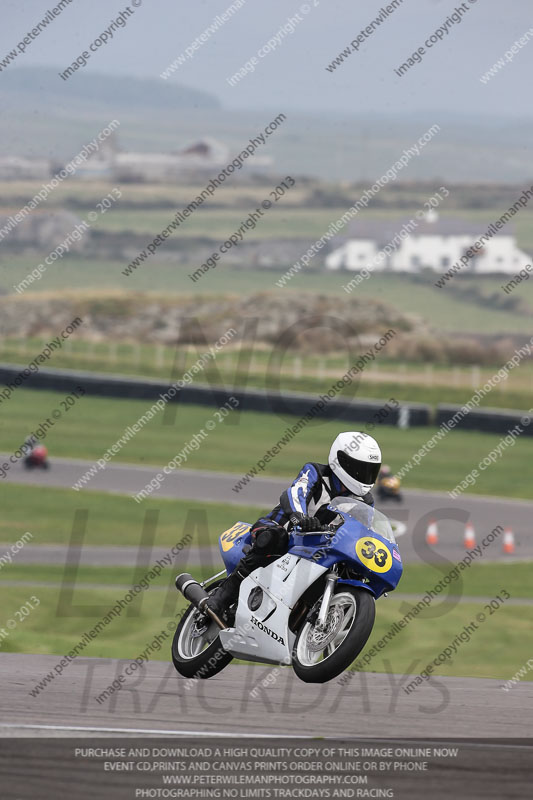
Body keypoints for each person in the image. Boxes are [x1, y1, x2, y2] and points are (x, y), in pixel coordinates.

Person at [206, 431, 382, 616]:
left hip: (315, 549)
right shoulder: (315, 472)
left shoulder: (365, 501)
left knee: (348, 570)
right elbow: (295, 493)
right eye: (359, 469)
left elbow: (362, 533)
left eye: (370, 470)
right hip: (281, 527)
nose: (364, 475)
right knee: (274, 538)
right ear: (341, 461)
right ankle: (222, 597)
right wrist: (300, 517)